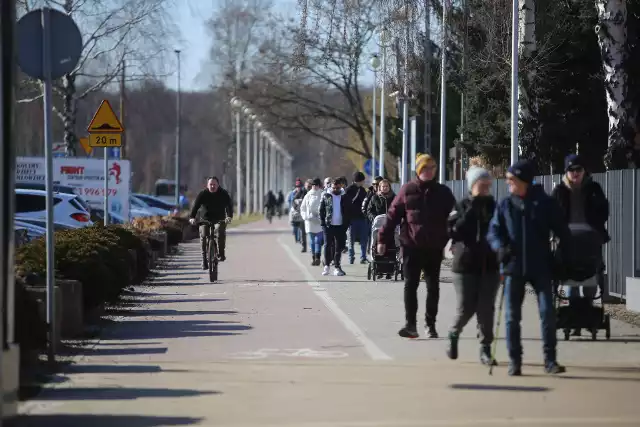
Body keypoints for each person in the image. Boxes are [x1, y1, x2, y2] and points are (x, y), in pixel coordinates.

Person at [487, 159, 571, 376]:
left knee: (547, 313)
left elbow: (563, 231)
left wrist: (560, 255)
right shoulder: (505, 205)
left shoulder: (545, 203)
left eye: (511, 180)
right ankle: (515, 361)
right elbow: (494, 232)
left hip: (541, 265)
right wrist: (500, 248)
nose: (508, 184)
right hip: (513, 266)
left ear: (524, 180)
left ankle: (550, 360)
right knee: (512, 316)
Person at [378, 154, 456, 339]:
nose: (428, 171)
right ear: (418, 170)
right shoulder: (408, 190)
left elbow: (454, 218)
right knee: (410, 285)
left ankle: (430, 324)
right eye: (425, 168)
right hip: (411, 245)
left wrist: (454, 240)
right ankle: (411, 325)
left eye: (432, 168)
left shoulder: (443, 192)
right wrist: (382, 239)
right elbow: (391, 216)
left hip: (434, 247)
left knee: (433, 287)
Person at [446, 166, 500, 366]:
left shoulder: (495, 206)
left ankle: (485, 348)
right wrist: (472, 208)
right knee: (467, 308)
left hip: (490, 265)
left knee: (486, 309)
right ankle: (453, 333)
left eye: (488, 184)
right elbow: (454, 231)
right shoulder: (461, 206)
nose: (485, 187)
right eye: (481, 183)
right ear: (472, 185)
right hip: (465, 265)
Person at [550, 154, 609, 337]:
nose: (575, 173)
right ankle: (574, 316)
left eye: (578, 170)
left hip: (590, 238)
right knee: (570, 275)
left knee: (591, 273)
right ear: (566, 172)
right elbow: (552, 214)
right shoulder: (559, 190)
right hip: (567, 239)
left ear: (584, 171)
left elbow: (604, 211)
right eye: (571, 170)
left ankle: (588, 311)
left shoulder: (593, 188)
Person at [188, 176, 233, 268]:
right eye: (210, 185)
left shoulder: (223, 193)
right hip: (205, 219)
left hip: (219, 219)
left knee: (220, 231)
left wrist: (229, 216)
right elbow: (196, 206)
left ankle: (221, 253)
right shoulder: (203, 194)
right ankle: (204, 258)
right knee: (204, 234)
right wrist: (192, 217)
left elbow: (229, 206)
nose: (212, 186)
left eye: (214, 185)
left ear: (218, 185)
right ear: (207, 185)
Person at [319, 177, 351, 276]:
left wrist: (346, 224)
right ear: (330, 187)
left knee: (338, 247)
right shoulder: (326, 196)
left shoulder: (344, 196)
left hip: (341, 226)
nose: (335, 190)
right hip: (328, 225)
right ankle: (327, 266)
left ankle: (337, 267)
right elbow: (321, 210)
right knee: (327, 245)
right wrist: (323, 223)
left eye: (337, 188)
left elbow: (348, 211)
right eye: (334, 188)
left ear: (340, 187)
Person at [345, 171, 369, 264]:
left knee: (364, 239)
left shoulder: (363, 190)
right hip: (352, 219)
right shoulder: (349, 190)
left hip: (362, 218)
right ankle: (351, 256)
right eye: (362, 181)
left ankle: (363, 257)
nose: (363, 182)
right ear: (358, 181)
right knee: (351, 239)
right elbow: (347, 203)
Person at [300, 178, 325, 266]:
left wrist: (322, 217)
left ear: (319, 185)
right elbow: (302, 208)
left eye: (316, 185)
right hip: (310, 222)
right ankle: (313, 257)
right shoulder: (308, 195)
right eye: (313, 185)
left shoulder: (323, 194)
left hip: (319, 222)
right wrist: (306, 217)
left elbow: (326, 207)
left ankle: (318, 257)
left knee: (318, 240)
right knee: (312, 241)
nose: (314, 187)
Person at [289, 183, 307, 252]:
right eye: (297, 186)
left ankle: (314, 248)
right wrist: (296, 207)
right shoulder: (300, 192)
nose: (298, 188)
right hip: (300, 214)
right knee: (302, 231)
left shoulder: (310, 192)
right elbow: (293, 201)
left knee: (311, 232)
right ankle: (303, 245)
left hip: (309, 214)